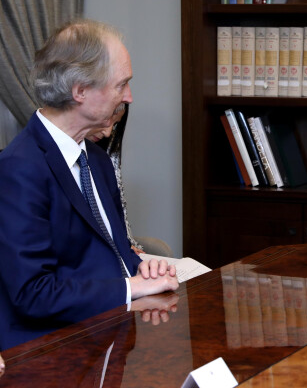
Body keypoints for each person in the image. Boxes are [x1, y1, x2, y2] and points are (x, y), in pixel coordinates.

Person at [0, 19, 178, 350]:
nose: (129, 97)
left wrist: (142, 267)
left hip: (111, 340)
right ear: (80, 91)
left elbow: (111, 252)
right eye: (121, 85)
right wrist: (132, 287)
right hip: (50, 352)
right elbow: (33, 294)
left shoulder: (96, 159)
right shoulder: (18, 169)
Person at [88, 103, 144, 253]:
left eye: (115, 124)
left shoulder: (108, 143)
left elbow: (118, 204)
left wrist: (128, 244)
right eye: (106, 120)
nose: (108, 132)